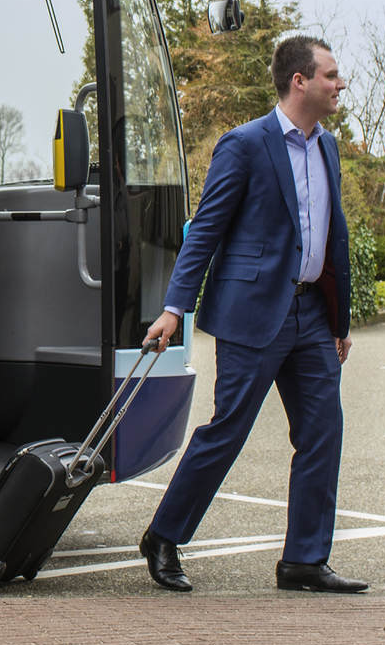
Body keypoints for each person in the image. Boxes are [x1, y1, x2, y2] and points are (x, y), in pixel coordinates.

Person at [137, 35, 365, 595]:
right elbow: (205, 233)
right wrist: (175, 309)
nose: (340, 85)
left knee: (323, 432)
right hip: (253, 313)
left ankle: (305, 561)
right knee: (228, 429)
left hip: (311, 314)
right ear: (300, 82)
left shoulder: (327, 147)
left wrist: (339, 322)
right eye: (332, 75)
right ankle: (164, 536)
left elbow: (331, 238)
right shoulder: (244, 146)